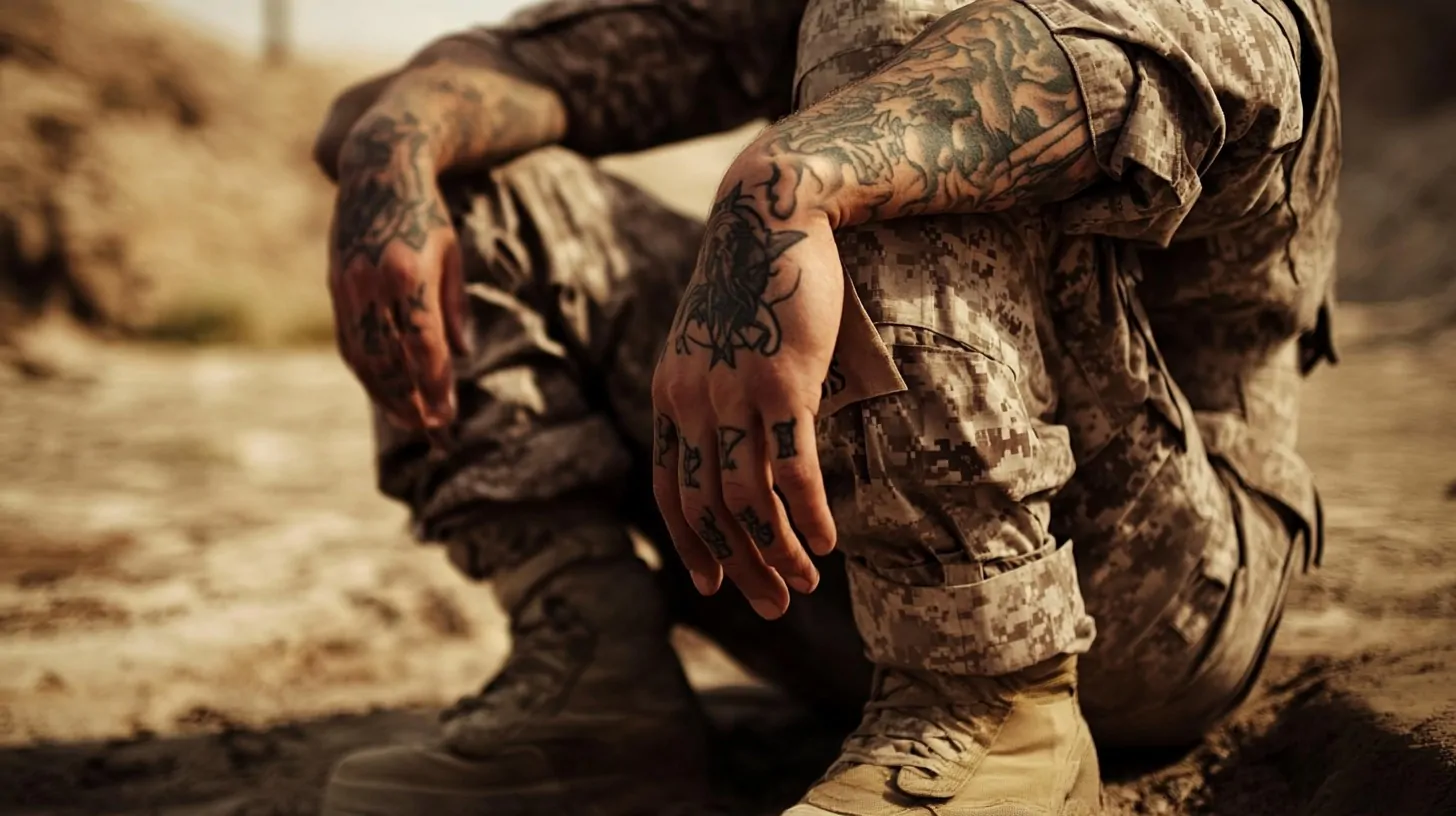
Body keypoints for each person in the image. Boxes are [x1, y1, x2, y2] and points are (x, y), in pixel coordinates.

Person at [312, 0, 1340, 813]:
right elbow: (555, 62)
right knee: (468, 174)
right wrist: (393, 141)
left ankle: (994, 709)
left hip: (1156, 598)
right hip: (816, 582)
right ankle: (591, 679)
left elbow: (1106, 74)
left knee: (887, 103)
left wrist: (792, 178)